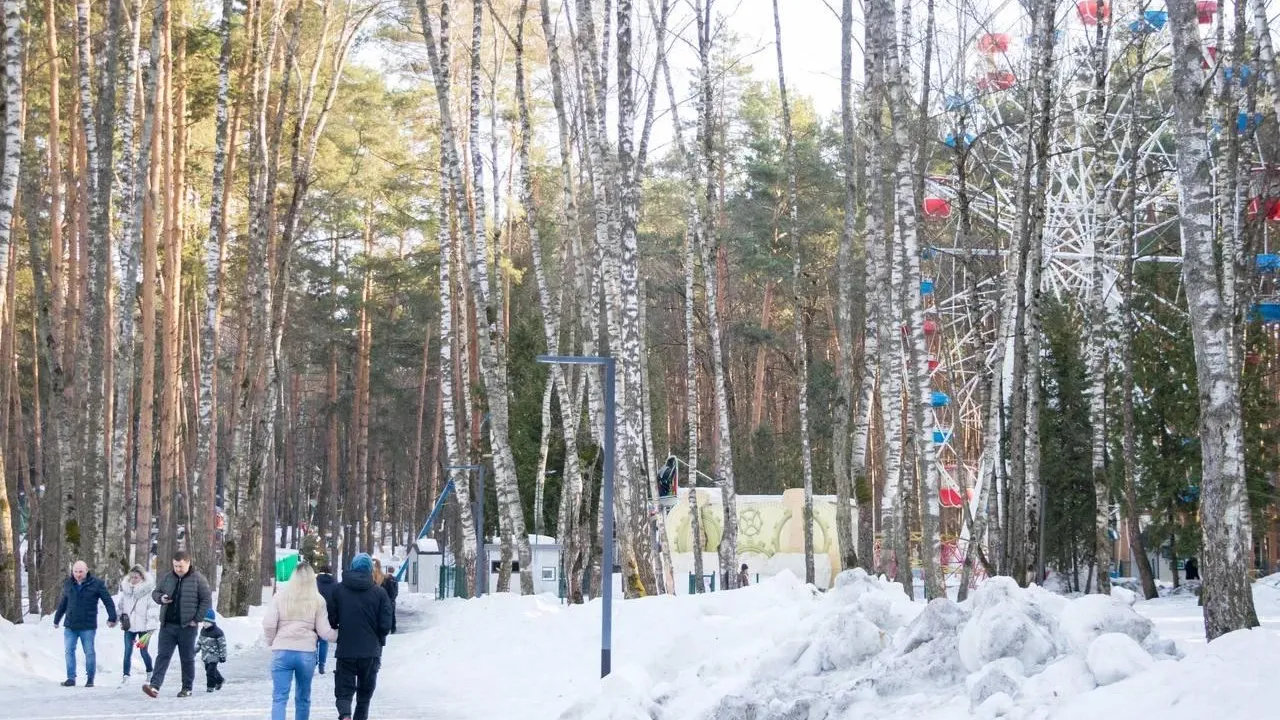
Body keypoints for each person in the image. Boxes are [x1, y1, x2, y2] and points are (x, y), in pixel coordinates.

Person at [264, 562, 337, 720]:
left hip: (281, 651)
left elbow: (269, 624)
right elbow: (324, 632)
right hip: (306, 653)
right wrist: (340, 635)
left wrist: (272, 642)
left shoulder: (280, 597)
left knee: (279, 698)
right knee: (303, 698)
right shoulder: (318, 600)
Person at [329, 553, 393, 720]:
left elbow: (332, 619)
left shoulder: (338, 590)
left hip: (346, 650)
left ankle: (345, 716)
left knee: (344, 691)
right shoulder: (380, 593)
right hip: (371, 651)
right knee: (364, 697)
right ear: (370, 570)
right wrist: (378, 637)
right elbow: (385, 624)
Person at [143, 551, 213, 698]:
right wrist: (161, 598)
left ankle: (187, 688)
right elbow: (155, 593)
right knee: (163, 656)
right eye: (175, 566)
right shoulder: (168, 578)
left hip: (187, 626)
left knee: (186, 658)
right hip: (168, 626)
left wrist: (197, 619)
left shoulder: (198, 579)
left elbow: (206, 600)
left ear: (188, 564)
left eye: (180, 566)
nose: (178, 569)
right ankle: (154, 686)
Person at [53, 560, 117, 687]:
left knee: (89, 652)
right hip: (70, 624)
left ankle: (90, 679)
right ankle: (71, 678)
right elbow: (63, 603)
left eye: (80, 571)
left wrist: (112, 617)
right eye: (75, 571)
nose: (78, 574)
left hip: (87, 625)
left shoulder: (96, 584)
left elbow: (108, 601)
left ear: (86, 571)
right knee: (69, 651)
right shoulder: (68, 584)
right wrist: (57, 619)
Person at [115, 565, 159, 686]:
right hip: (129, 627)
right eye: (132, 577)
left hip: (144, 627)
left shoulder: (148, 592)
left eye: (136, 577)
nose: (134, 579)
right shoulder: (127, 592)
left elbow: (152, 610)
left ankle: (150, 672)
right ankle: (126, 675)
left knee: (143, 651)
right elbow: (121, 607)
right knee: (127, 651)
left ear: (142, 578)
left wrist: (151, 627)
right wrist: (115, 619)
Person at [315, 563, 339, 675]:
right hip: (329, 614)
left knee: (313, 639)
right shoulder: (335, 583)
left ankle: (313, 661)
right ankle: (321, 665)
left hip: (315, 613)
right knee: (324, 640)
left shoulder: (314, 582)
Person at [199, 609, 227, 692]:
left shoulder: (218, 632)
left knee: (210, 672)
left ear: (211, 622)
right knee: (209, 670)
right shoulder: (203, 631)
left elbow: (222, 645)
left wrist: (222, 656)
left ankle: (210, 687)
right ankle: (219, 680)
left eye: (207, 622)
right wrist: (195, 650)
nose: (204, 623)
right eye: (203, 621)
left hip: (214, 656)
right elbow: (200, 641)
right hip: (205, 656)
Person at [373, 559, 399, 634]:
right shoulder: (393, 579)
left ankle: (390, 628)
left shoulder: (383, 578)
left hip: (387, 599)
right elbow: (395, 591)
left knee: (386, 614)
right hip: (391, 599)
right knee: (391, 614)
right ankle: (393, 628)